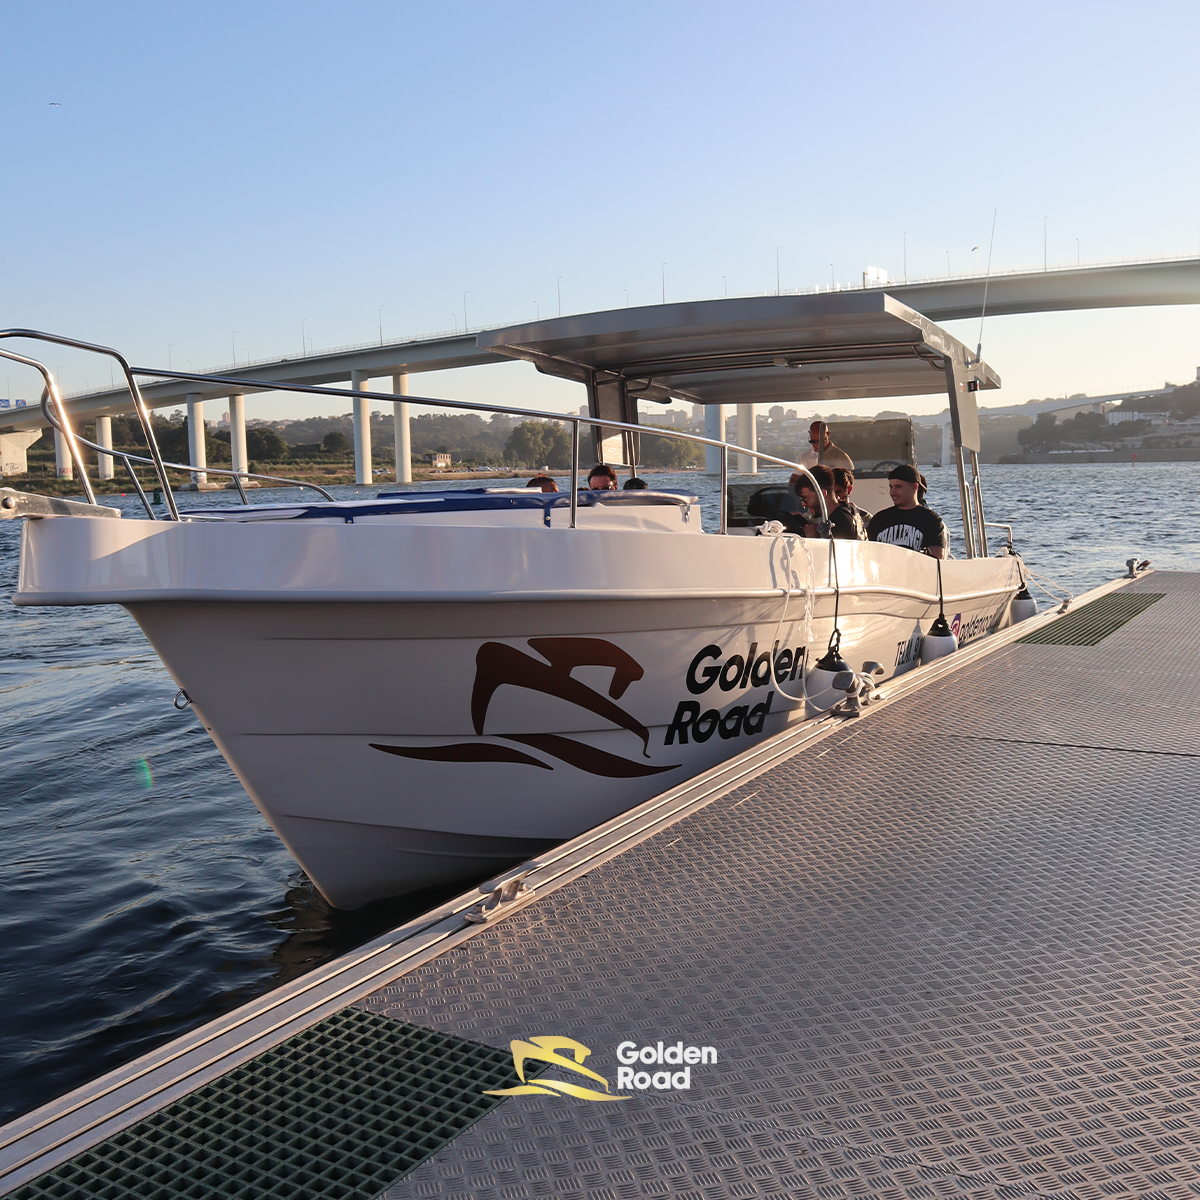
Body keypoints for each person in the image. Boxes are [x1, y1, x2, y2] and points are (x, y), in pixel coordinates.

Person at [866, 464, 947, 558]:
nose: (892, 492)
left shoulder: (931, 520)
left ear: (914, 487)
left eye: (898, 487)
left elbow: (938, 553)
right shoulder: (879, 519)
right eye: (891, 487)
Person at [789, 464, 866, 541]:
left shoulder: (840, 523)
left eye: (805, 498)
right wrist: (810, 523)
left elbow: (834, 551)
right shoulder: (848, 510)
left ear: (822, 494)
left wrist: (813, 538)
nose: (803, 504)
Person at [792, 420, 853, 489]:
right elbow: (793, 482)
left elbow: (849, 484)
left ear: (828, 434)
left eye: (821, 441)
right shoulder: (802, 457)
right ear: (809, 434)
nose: (817, 445)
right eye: (812, 441)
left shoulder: (841, 458)